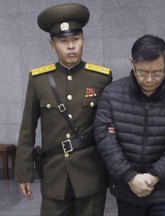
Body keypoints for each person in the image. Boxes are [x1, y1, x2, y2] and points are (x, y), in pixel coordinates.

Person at [14, 3, 112, 216]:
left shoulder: (101, 78)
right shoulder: (39, 80)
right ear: (52, 45)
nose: (71, 46)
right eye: (63, 41)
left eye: (75, 39)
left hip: (91, 174)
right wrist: (24, 174)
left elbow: (110, 122)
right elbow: (27, 129)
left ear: (83, 40)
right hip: (54, 176)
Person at [94, 34, 165, 216]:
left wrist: (153, 176)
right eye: (142, 72)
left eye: (157, 72)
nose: (149, 79)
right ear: (131, 63)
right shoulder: (112, 94)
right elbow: (104, 140)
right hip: (128, 190)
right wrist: (130, 177)